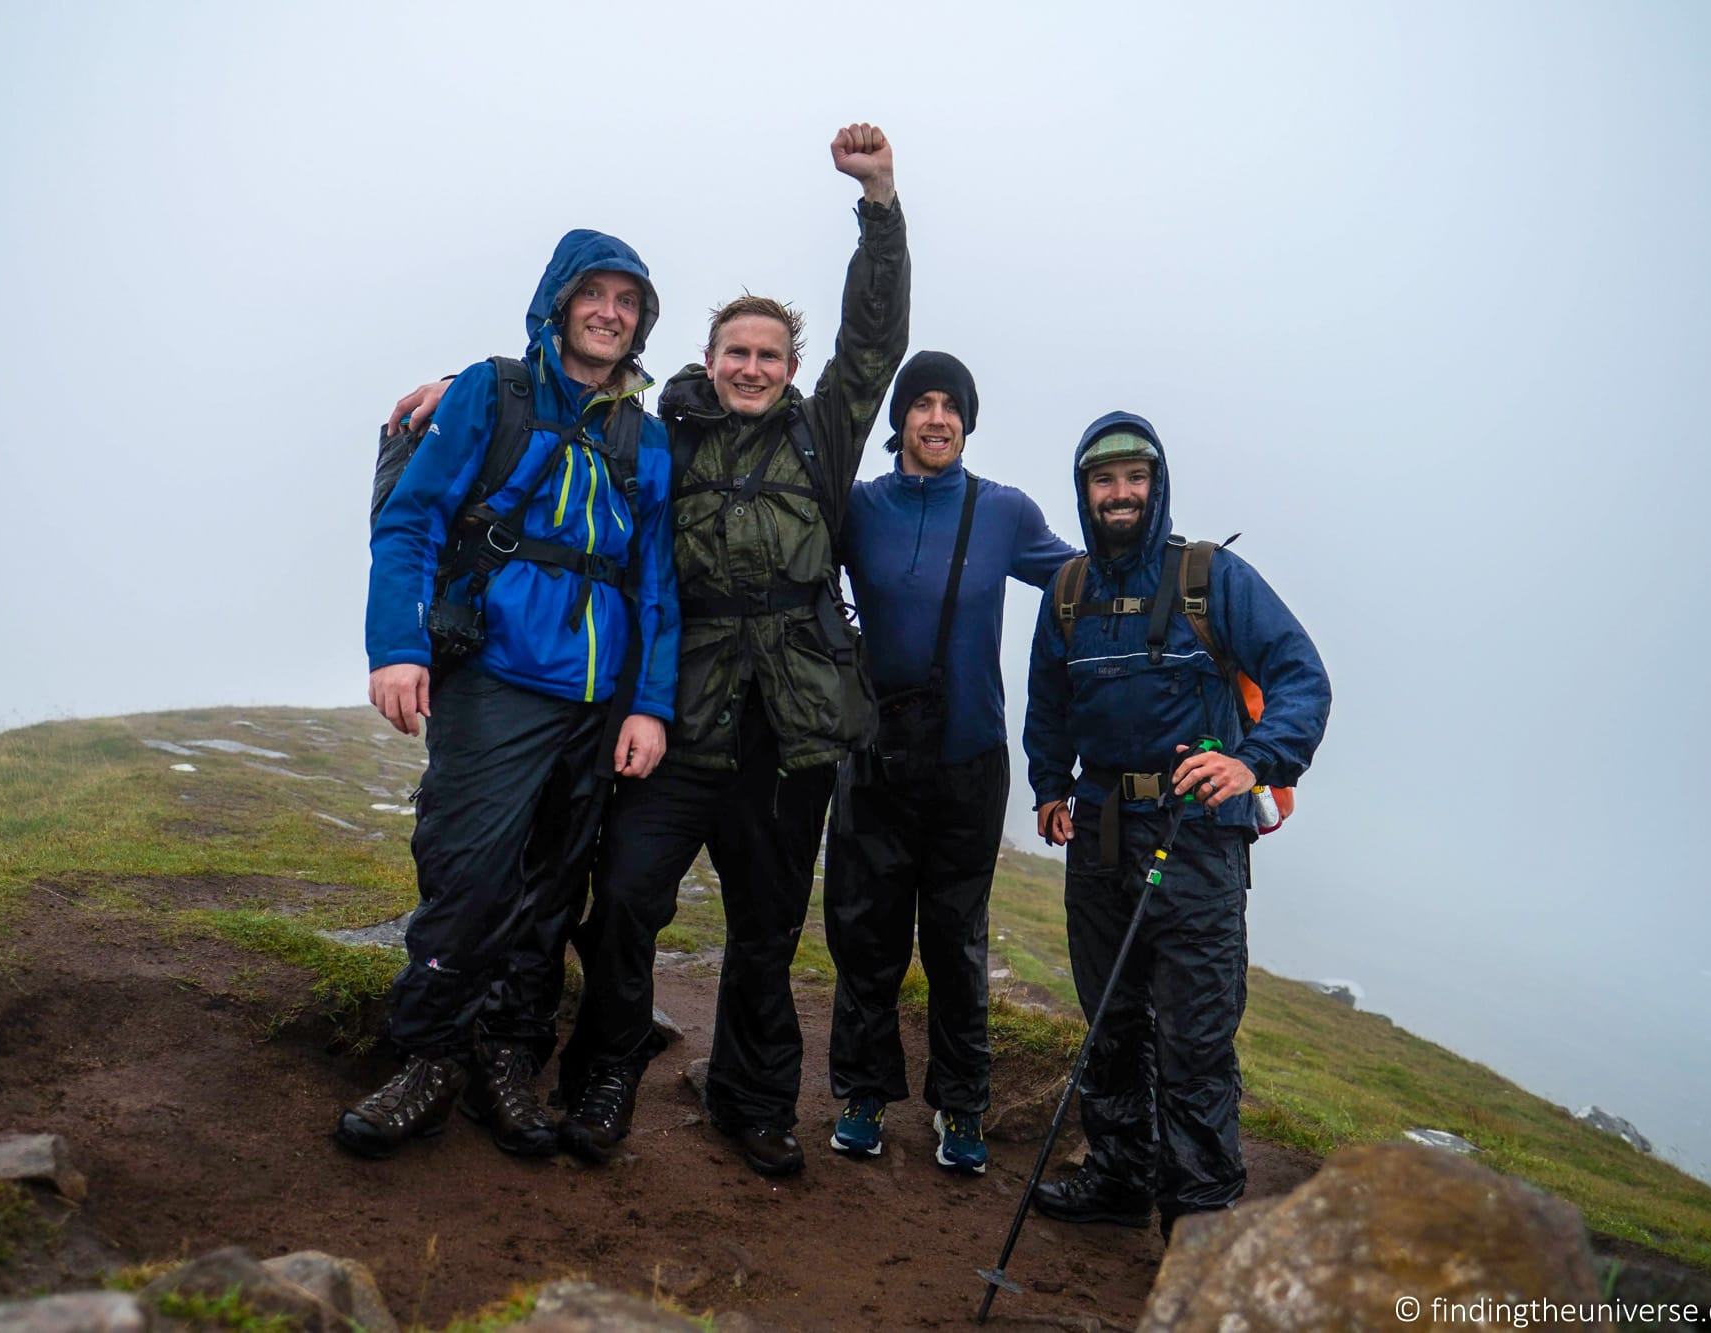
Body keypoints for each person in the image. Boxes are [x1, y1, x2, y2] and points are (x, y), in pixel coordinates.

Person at [382, 124, 909, 1176]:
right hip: (678, 717)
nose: (750, 368)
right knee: (620, 899)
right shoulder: (670, 428)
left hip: (791, 727)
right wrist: (458, 380)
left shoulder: (826, 429)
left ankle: (753, 1101)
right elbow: (575, 392)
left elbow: (874, 341)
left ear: (791, 369)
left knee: (764, 925)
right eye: (734, 354)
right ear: (706, 365)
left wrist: (879, 207)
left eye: (768, 355)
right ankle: (601, 1070)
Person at [335, 230, 678, 1161]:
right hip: (494, 675)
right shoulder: (493, 391)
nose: (610, 311)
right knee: (470, 871)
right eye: (593, 294)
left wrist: (647, 704)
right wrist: (396, 645)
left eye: (629, 299)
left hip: (597, 704)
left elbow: (656, 585)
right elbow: (410, 520)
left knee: (550, 892)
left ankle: (507, 1060)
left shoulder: (645, 436)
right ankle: (428, 1057)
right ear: (559, 301)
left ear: (643, 318)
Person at [1022, 412, 1329, 1236]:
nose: (1119, 493)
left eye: (1135, 477)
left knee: (1194, 1035)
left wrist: (1253, 760)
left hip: (1197, 836)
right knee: (1112, 1018)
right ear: (1084, 490)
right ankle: (1120, 1175)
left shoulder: (1211, 577)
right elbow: (1048, 702)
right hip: (1099, 834)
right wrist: (1051, 784)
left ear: (1156, 485)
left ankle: (1198, 1215)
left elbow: (1302, 676)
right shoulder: (1070, 590)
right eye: (1102, 479)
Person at [821, 351, 1076, 1174]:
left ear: (968, 421)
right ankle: (862, 1093)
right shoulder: (857, 508)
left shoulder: (1003, 512)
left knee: (957, 941)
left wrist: (1190, 576)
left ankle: (962, 1105)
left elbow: (1085, 577)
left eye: (951, 406)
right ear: (899, 418)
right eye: (922, 403)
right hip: (873, 755)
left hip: (970, 757)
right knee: (867, 933)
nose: (937, 418)